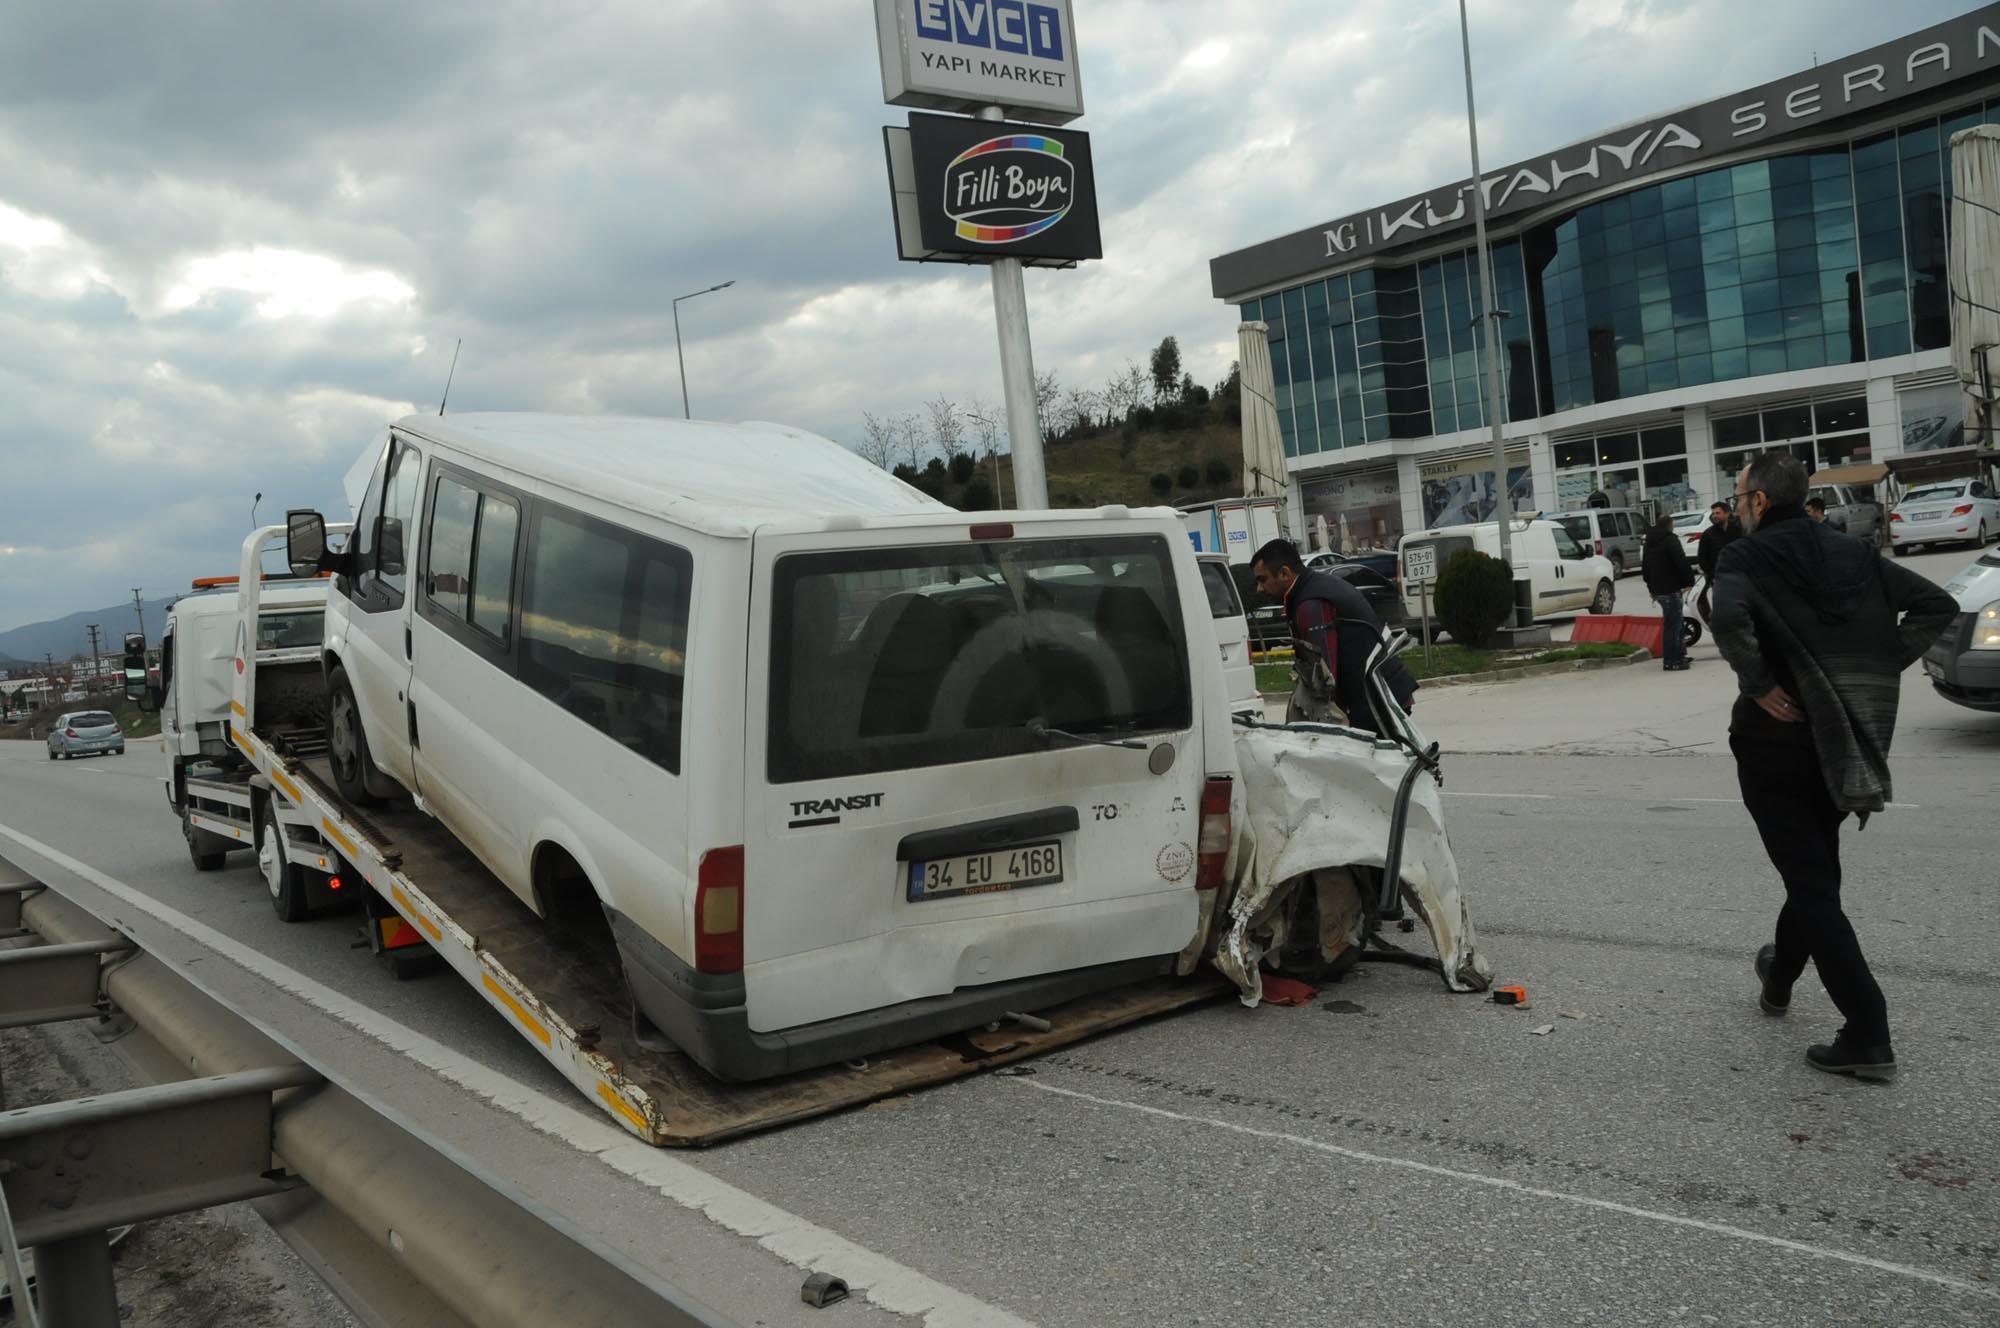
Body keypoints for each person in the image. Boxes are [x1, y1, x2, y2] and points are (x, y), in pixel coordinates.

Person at [1710, 452, 1955, 1082]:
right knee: (1814, 869)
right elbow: (1936, 605)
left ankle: (1868, 1030)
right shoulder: (1854, 553)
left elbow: (1729, 619)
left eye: (1740, 498)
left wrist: (1761, 682)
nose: (1738, 508)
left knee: (1812, 882)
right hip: (1840, 742)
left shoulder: (1744, 556)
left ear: (1761, 502)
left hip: (1774, 742)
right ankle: (1781, 974)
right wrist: (1869, 667)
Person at [1251, 538, 1416, 735]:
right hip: (1381, 691)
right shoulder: (1314, 587)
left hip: (1375, 701)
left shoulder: (1311, 603)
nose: (1259, 589)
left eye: (1263, 579)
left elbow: (1323, 678)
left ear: (1285, 573)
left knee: (1377, 763)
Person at [1641, 511, 1696, 671]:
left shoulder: (1649, 542)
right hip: (1671, 588)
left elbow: (1645, 566)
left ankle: (1679, 655)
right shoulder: (1671, 540)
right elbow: (1681, 561)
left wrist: (1650, 586)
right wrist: (1689, 581)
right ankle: (1672, 661)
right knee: (1673, 626)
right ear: (1670, 525)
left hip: (1658, 589)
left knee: (1677, 624)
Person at [1695, 501, 1739, 624]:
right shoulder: (1708, 534)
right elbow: (1702, 558)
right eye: (1713, 513)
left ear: (1727, 513)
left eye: (1718, 513)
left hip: (1739, 577)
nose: (1715, 516)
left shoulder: (1738, 530)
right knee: (1722, 608)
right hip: (1718, 579)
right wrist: (1711, 576)